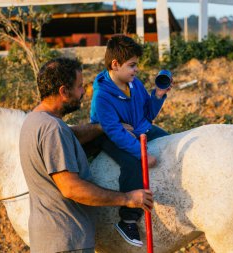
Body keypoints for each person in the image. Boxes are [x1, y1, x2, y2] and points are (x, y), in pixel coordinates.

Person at [19, 57, 153, 253]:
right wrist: (127, 199)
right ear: (63, 91)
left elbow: (70, 136)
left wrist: (103, 127)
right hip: (68, 242)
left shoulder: (34, 121)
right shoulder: (52, 129)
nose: (83, 92)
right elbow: (71, 188)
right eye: (79, 87)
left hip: (51, 241)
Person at [90, 34, 172, 247]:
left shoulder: (134, 84)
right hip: (107, 134)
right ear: (115, 65)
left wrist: (158, 95)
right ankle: (127, 220)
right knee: (133, 162)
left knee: (169, 142)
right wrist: (141, 153)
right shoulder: (102, 96)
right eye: (132, 65)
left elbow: (147, 114)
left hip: (138, 128)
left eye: (136, 65)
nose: (136, 70)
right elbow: (114, 131)